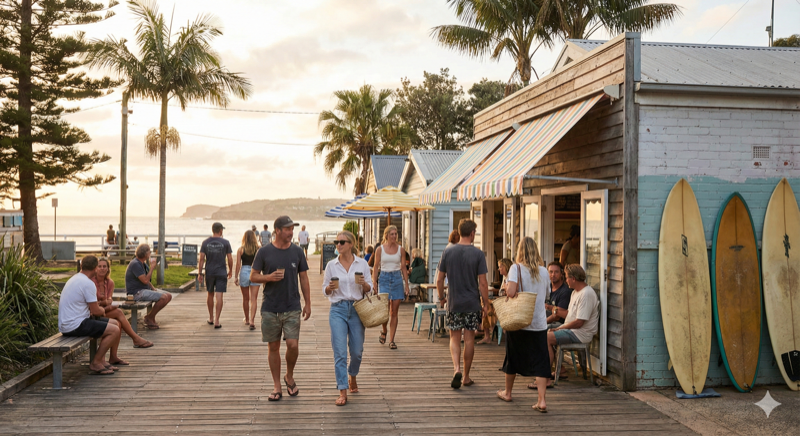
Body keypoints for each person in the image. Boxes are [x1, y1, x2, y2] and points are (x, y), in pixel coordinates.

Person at [250, 215, 310, 402]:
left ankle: (289, 375)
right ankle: (277, 386)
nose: (291, 232)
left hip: (292, 306)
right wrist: (269, 277)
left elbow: (304, 278)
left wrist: (308, 302)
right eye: (288, 229)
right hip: (270, 307)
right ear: (277, 230)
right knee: (273, 347)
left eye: (292, 229)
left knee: (293, 345)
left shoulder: (298, 252)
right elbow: (253, 276)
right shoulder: (264, 252)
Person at [496, 237, 551, 413]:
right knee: (541, 360)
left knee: (512, 357)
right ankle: (541, 400)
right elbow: (547, 293)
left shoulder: (515, 268)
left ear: (520, 251)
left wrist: (506, 287)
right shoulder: (543, 271)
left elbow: (511, 292)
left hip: (519, 321)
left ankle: (508, 392)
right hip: (539, 323)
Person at [436, 219, 489, 389]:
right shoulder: (478, 254)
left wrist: (441, 297)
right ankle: (466, 376)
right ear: (472, 233)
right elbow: (483, 283)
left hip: (454, 302)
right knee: (469, 339)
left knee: (454, 337)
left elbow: (439, 279)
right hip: (472, 303)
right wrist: (486, 303)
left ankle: (456, 369)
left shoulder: (448, 251)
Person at [322, 230, 372, 406]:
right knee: (340, 353)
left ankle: (353, 375)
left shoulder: (362, 264)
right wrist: (329, 288)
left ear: (351, 244)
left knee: (357, 352)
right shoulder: (331, 265)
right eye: (337, 242)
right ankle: (342, 391)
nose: (338, 245)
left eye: (342, 242)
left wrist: (364, 284)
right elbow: (324, 290)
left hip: (357, 309)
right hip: (338, 309)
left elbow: (370, 289)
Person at [59, 255, 122, 375]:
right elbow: (97, 311)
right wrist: (105, 309)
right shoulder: (88, 284)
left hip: (70, 322)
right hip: (75, 325)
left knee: (115, 324)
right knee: (114, 330)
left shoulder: (76, 278)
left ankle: (102, 360)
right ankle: (96, 362)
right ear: (95, 268)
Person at [544, 264, 600, 387]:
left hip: (580, 334)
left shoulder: (586, 294)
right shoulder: (575, 292)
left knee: (546, 338)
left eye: (567, 277)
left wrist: (558, 328)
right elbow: (570, 315)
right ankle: (553, 370)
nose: (566, 280)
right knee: (541, 331)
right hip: (571, 330)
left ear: (573, 278)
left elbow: (579, 322)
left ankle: (545, 377)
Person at [93, 257, 154, 349]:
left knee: (118, 320)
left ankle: (114, 356)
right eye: (99, 266)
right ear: (95, 268)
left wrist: (104, 302)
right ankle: (135, 338)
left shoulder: (110, 283)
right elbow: (97, 304)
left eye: (104, 266)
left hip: (103, 310)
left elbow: (109, 300)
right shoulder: (92, 282)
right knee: (118, 312)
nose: (102, 268)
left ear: (108, 268)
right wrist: (105, 302)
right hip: (94, 312)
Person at [371, 225, 410, 350]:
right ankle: (384, 330)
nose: (394, 236)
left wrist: (407, 285)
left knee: (394, 311)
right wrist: (374, 282)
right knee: (384, 310)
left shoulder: (401, 250)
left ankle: (392, 340)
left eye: (396, 233)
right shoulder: (380, 249)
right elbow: (376, 267)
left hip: (397, 278)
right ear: (386, 235)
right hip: (384, 278)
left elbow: (403, 267)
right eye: (392, 234)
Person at [125, 244, 173, 329]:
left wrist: (154, 289)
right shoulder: (135, 264)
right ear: (145, 254)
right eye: (149, 251)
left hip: (144, 289)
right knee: (163, 297)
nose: (150, 253)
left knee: (168, 296)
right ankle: (149, 318)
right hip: (136, 293)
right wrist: (152, 268)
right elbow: (145, 280)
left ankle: (150, 316)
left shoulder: (142, 263)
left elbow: (147, 281)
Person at [199, 222, 233, 329]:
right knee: (219, 296)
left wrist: (200, 273)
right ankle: (217, 320)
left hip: (209, 272)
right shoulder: (226, 242)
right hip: (221, 272)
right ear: (221, 231)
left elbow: (201, 259)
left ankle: (211, 318)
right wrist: (231, 270)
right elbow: (230, 258)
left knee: (210, 294)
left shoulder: (205, 242)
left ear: (212, 230)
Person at [477, 258, 510, 345]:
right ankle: (486, 333)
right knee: (484, 302)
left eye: (500, 267)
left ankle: (485, 333)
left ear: (505, 267)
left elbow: (508, 293)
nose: (498, 269)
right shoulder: (505, 277)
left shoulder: (510, 278)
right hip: (502, 301)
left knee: (486, 306)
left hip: (506, 304)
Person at [235, 230, 260, 330]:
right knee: (254, 299)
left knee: (245, 299)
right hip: (255, 272)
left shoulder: (241, 249)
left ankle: (247, 319)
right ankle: (252, 321)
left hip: (244, 271)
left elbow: (238, 264)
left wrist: (236, 276)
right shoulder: (258, 249)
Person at [544, 262, 571, 330]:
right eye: (551, 272)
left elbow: (557, 316)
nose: (553, 275)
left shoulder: (565, 291)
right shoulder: (546, 287)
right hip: (544, 319)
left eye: (556, 272)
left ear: (561, 274)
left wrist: (541, 323)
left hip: (557, 324)